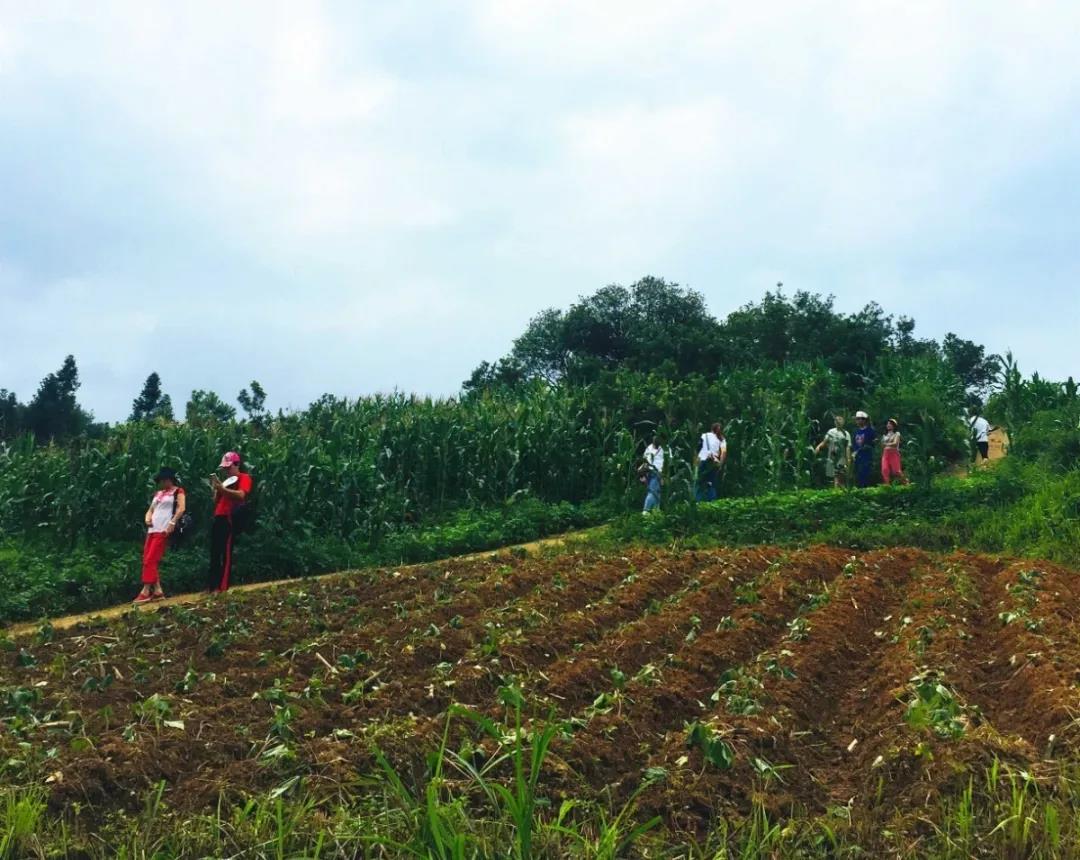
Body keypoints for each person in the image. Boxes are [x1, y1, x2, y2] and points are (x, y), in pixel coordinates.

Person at [134, 467, 185, 604]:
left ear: (170, 479)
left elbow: (181, 508)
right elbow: (150, 510)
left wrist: (172, 522)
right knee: (147, 558)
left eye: (165, 480)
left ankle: (145, 591)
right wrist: (147, 518)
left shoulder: (178, 491)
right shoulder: (158, 494)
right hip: (152, 529)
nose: (163, 482)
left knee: (150, 559)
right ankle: (158, 591)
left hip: (163, 529)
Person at [207, 451, 253, 593]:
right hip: (219, 517)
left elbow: (241, 495)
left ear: (237, 464)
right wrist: (217, 490)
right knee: (215, 553)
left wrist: (223, 489)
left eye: (229, 467)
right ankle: (212, 586)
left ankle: (223, 587)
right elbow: (216, 501)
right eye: (225, 468)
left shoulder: (244, 478)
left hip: (230, 518)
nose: (227, 470)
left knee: (225, 553)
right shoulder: (226, 481)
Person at [815, 414, 851, 489]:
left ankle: (840, 491)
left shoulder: (846, 433)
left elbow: (848, 447)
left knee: (840, 475)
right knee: (832, 475)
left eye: (840, 419)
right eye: (836, 420)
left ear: (843, 422)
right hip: (832, 456)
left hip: (841, 457)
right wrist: (818, 447)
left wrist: (848, 459)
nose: (837, 421)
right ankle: (835, 491)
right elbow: (825, 441)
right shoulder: (831, 431)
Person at [695, 423, 727, 502]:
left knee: (699, 483)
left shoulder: (704, 435)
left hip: (702, 460)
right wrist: (720, 464)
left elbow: (697, 448)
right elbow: (723, 452)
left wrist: (695, 462)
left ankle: (698, 502)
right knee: (711, 483)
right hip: (713, 462)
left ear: (711, 429)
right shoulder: (722, 439)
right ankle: (712, 503)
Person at [851, 411, 877, 489]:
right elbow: (853, 444)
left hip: (866, 456)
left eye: (859, 419)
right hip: (857, 456)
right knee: (857, 474)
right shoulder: (856, 431)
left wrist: (868, 446)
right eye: (857, 419)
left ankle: (865, 489)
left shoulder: (870, 431)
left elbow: (874, 443)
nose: (858, 421)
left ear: (864, 420)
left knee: (865, 473)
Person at [881, 418, 909, 485]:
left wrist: (886, 444)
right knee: (884, 470)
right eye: (887, 424)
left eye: (890, 424)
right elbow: (882, 445)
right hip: (885, 453)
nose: (888, 425)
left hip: (894, 453)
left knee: (896, 471)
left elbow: (895, 443)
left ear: (894, 425)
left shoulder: (897, 434)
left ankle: (906, 483)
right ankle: (887, 486)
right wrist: (884, 444)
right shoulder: (885, 435)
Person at [641, 435, 665, 513]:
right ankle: (646, 511)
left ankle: (656, 511)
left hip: (659, 473)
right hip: (652, 472)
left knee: (657, 492)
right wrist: (643, 475)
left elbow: (668, 462)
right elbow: (645, 462)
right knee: (653, 491)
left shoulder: (664, 448)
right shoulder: (649, 448)